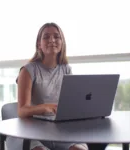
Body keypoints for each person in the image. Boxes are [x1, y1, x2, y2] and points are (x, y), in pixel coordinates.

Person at [6, 22, 106, 150]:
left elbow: (69, 104)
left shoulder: (66, 69)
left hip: (58, 130)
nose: (51, 40)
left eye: (56, 37)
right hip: (31, 131)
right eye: (46, 37)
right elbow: (22, 111)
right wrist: (44, 108)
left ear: (62, 42)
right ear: (39, 44)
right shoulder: (28, 70)